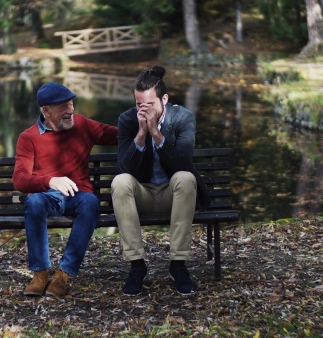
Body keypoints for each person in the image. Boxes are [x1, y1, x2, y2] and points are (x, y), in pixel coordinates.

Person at [111, 65, 211, 296]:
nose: (144, 110)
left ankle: (178, 265)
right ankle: (137, 266)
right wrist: (141, 134)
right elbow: (123, 168)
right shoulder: (127, 120)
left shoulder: (183, 118)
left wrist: (156, 133)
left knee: (185, 178)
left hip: (173, 194)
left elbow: (183, 164)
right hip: (142, 195)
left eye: (150, 104)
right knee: (120, 181)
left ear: (164, 99)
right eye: (139, 105)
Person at [12, 82, 117, 298]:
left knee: (90, 203)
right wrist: (50, 181)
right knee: (33, 202)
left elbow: (119, 135)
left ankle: (63, 275)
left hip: (78, 195)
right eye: (63, 107)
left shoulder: (83, 125)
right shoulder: (28, 137)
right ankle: (40, 274)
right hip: (47, 195)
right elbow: (20, 179)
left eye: (71, 104)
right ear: (46, 111)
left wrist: (149, 117)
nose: (70, 111)